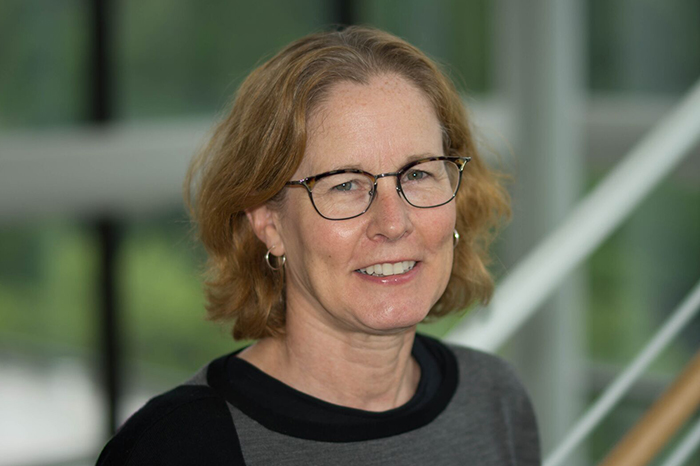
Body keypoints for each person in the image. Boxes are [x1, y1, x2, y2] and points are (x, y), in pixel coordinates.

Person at [97, 26, 540, 465]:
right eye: (345, 184)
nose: (393, 222)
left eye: (419, 174)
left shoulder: (492, 399)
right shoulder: (177, 448)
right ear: (269, 223)